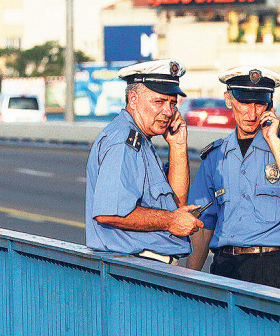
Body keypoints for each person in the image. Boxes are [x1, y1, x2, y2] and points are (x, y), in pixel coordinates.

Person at [186, 66, 280, 293]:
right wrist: (189, 281)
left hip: (273, 267)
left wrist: (274, 142)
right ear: (229, 100)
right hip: (226, 266)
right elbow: (204, 224)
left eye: (259, 104)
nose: (252, 114)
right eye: (245, 103)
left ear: (270, 106)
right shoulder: (215, 155)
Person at [85, 58, 203, 265]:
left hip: (147, 266)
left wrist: (177, 147)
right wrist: (170, 221)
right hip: (134, 269)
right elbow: (109, 213)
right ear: (133, 99)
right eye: (159, 102)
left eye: (172, 103)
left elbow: (177, 205)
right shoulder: (124, 141)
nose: (168, 111)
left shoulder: (142, 140)